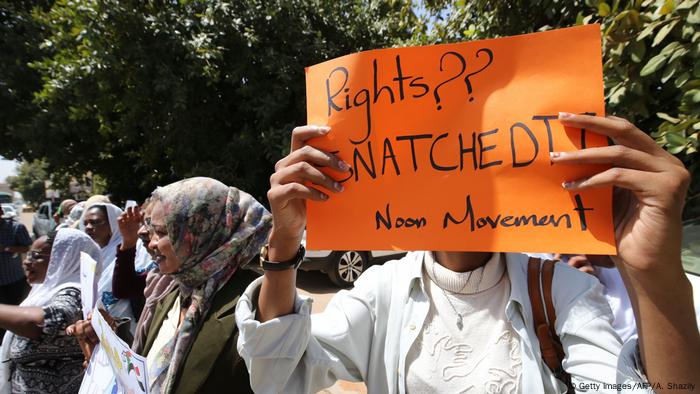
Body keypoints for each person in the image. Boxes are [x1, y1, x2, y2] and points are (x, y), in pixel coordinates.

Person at [236, 115, 700, 393]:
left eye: (480, 162)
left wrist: (653, 272)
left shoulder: (563, 289)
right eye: (439, 162)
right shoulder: (382, 290)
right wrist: (284, 241)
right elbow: (280, 374)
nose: (457, 180)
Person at [73, 177, 272, 393]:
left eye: (162, 232)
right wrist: (107, 346)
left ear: (199, 231)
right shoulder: (172, 291)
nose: (151, 243)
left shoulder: (255, 301)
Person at [0, 229, 101, 394]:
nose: (26, 262)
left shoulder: (76, 293)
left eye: (36, 256)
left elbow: (48, 322)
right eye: (29, 255)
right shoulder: (43, 289)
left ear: (64, 259)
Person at [80, 203, 139, 331]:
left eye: (95, 222)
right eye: (85, 223)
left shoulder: (132, 249)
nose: (88, 227)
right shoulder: (91, 255)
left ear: (113, 223)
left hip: (126, 326)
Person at [0, 205, 32, 341]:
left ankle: (18, 341)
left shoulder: (16, 228)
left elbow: (27, 247)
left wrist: (7, 248)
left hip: (14, 280)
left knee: (17, 314)